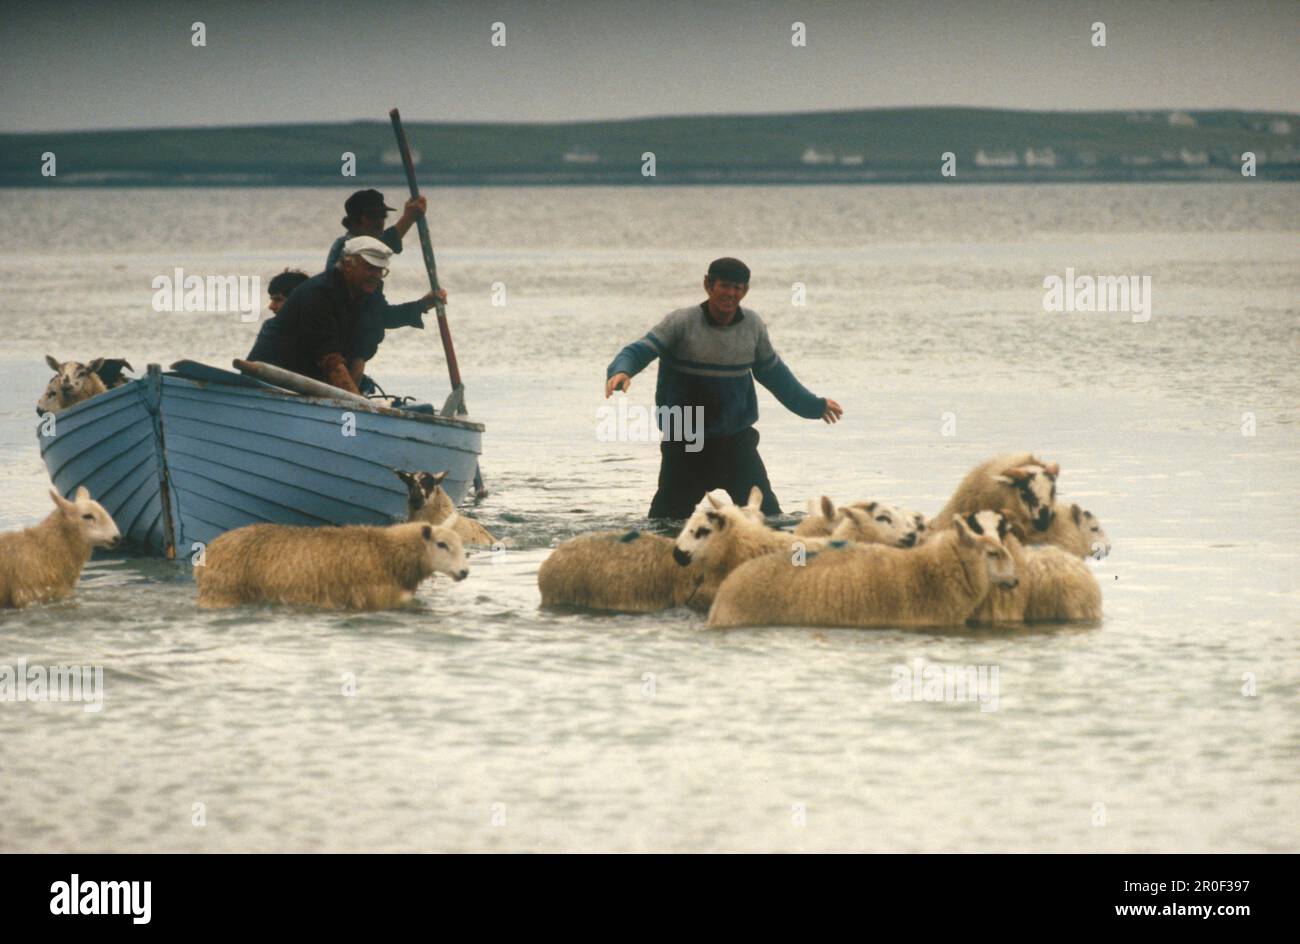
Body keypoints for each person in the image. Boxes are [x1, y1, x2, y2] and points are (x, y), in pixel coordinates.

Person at [605, 257, 842, 519]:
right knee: (665, 525)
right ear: (708, 285)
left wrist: (814, 406)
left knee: (767, 520)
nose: (731, 293)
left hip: (736, 443)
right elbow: (639, 351)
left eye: (738, 288)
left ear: (746, 291)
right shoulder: (681, 323)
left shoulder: (752, 326)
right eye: (725, 286)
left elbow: (775, 375)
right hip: (686, 443)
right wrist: (622, 371)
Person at [254, 236, 446, 394]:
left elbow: (383, 317)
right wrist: (355, 403)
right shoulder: (317, 295)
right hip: (273, 380)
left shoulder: (366, 292)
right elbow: (330, 359)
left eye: (380, 270)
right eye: (370, 268)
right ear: (347, 265)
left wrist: (423, 304)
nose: (376, 275)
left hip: (311, 381)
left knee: (366, 337)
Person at [246, 268, 310, 364]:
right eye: (272, 300)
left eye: (278, 300)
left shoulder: (273, 327)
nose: (271, 306)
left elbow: (249, 368)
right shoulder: (326, 326)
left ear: (297, 300)